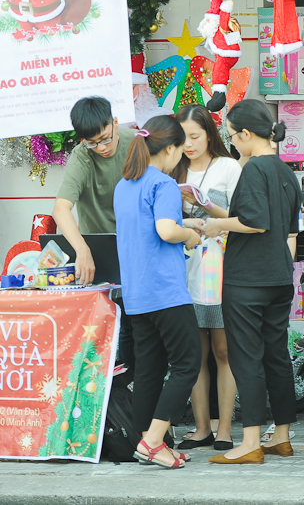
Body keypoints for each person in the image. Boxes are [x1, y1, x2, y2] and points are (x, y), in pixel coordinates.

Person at [203, 100, 303, 464]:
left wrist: (216, 225)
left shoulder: (253, 170)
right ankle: (281, 435)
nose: (232, 144)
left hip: (248, 279)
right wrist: (219, 214)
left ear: (246, 134)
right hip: (279, 276)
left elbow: (255, 221)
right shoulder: (284, 171)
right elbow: (284, 226)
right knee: (276, 355)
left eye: (232, 137)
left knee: (247, 356)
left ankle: (249, 442)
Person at [113, 116, 204, 470]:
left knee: (150, 369)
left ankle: (146, 443)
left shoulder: (124, 184)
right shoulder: (164, 184)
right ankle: (154, 441)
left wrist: (183, 225)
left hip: (136, 294)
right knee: (187, 363)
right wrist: (191, 235)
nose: (179, 158)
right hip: (165, 291)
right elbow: (166, 230)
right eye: (179, 151)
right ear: (169, 149)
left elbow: (147, 229)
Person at [171, 105, 242, 453]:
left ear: (210, 134)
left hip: (222, 265)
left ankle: (225, 427)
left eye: (195, 137)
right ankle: (201, 428)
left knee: (223, 349)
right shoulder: (173, 169)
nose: (189, 144)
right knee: (193, 352)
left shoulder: (228, 167)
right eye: (182, 138)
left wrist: (206, 208)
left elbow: (244, 217)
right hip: (184, 267)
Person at [52, 96, 137, 367]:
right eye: (91, 142)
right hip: (102, 257)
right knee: (114, 331)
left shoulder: (137, 143)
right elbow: (61, 209)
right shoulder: (82, 156)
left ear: (115, 123)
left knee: (142, 330)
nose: (100, 147)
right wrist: (82, 249)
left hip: (138, 248)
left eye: (105, 138)